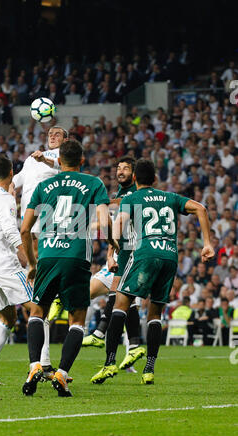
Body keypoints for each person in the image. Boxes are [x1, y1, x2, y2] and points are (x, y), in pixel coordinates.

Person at [92, 159, 215, 385]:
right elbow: (201, 208)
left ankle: (109, 363)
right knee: (155, 314)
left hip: (145, 254)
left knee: (120, 304)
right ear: (155, 179)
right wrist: (207, 243)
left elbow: (119, 225)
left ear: (135, 178)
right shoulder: (171, 197)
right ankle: (149, 369)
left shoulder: (131, 198)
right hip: (169, 256)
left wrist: (113, 246)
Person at [20, 139, 117, 397]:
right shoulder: (94, 183)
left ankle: (34, 366)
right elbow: (103, 221)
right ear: (82, 160)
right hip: (76, 258)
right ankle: (62, 374)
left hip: (48, 256)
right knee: (77, 320)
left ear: (59, 161)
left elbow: (25, 229)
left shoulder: (44, 185)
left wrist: (32, 262)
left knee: (38, 313)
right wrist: (112, 242)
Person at [0, 155, 41, 385]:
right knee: (38, 307)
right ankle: (41, 366)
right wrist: (29, 260)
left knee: (8, 318)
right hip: (4, 264)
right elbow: (12, 232)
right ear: (12, 174)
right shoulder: (5, 199)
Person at [9, 126, 68, 380]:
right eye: (50, 133)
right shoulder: (32, 160)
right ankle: (41, 363)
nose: (52, 136)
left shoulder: (62, 160)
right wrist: (10, 190)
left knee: (40, 298)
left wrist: (45, 158)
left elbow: (60, 166)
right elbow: (16, 181)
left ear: (66, 140)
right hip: (28, 231)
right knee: (37, 299)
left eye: (58, 134)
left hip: (49, 230)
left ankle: (42, 363)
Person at [83, 157, 146, 377]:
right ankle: (132, 348)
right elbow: (114, 229)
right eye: (118, 167)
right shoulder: (119, 195)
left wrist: (100, 205)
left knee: (121, 298)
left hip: (133, 256)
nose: (120, 171)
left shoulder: (133, 194)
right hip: (119, 253)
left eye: (126, 168)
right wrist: (110, 254)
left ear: (134, 174)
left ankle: (102, 334)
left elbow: (119, 209)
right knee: (121, 301)